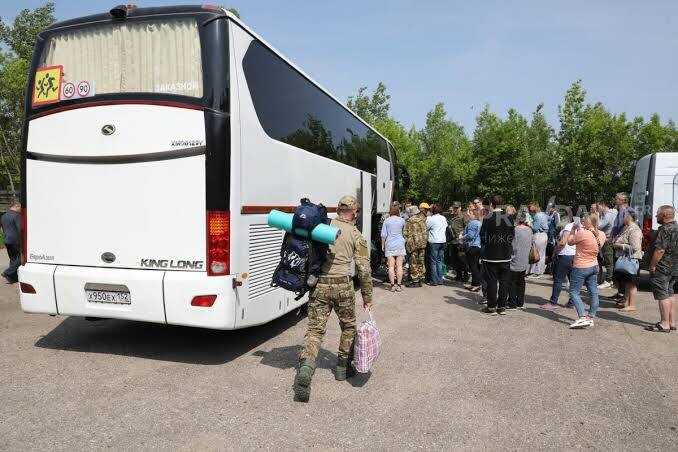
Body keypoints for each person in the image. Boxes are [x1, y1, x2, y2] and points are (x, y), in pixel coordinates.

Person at [294, 195, 373, 402]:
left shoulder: (323, 226)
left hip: (320, 285)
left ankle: (307, 368)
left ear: (338, 209)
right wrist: (367, 295)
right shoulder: (356, 234)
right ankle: (342, 368)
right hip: (343, 286)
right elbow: (364, 269)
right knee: (348, 326)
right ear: (354, 211)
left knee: (315, 330)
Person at [565, 213, 606, 329]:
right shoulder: (602, 234)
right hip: (594, 266)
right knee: (593, 292)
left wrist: (573, 230)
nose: (582, 222)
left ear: (589, 222)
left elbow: (570, 241)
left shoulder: (583, 233)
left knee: (573, 292)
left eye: (584, 220)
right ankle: (590, 317)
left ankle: (582, 317)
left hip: (581, 266)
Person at [479, 195, 514, 315]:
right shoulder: (509, 217)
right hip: (505, 254)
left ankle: (491, 306)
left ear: (491, 204)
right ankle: (502, 306)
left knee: (492, 281)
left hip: (491, 255)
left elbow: (482, 236)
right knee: (504, 281)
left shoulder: (488, 217)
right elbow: (512, 235)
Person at [646, 206, 678, 333]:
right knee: (670, 292)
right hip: (675, 267)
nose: (656, 217)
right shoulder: (676, 227)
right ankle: (671, 322)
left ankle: (664, 324)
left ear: (664, 215)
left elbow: (660, 250)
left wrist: (652, 265)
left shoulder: (665, 230)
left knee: (662, 294)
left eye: (658, 214)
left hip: (663, 267)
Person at [612, 208, 642, 312]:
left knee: (631, 283)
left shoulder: (634, 229)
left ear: (629, 217)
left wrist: (619, 245)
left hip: (631, 260)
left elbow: (635, 247)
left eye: (623, 216)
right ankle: (626, 302)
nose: (621, 218)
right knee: (626, 283)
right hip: (625, 259)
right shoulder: (626, 227)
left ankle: (632, 305)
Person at [544, 213, 575, 310]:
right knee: (572, 280)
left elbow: (562, 242)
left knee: (558, 280)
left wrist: (555, 251)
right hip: (574, 255)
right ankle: (572, 302)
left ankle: (553, 302)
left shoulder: (568, 227)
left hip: (564, 255)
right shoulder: (578, 227)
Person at [508, 211, 533, 309]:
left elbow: (512, 246)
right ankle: (520, 302)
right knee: (521, 281)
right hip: (524, 258)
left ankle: (512, 303)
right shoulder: (529, 230)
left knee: (512, 281)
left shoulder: (515, 230)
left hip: (515, 258)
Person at [381, 205, 406, 292]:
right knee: (399, 266)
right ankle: (399, 285)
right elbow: (404, 232)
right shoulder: (402, 220)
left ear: (390, 212)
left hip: (390, 244)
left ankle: (392, 285)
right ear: (398, 211)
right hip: (400, 244)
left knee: (391, 266)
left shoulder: (386, 221)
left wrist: (383, 245)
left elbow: (383, 235)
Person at [610, 193, 629, 301]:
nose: (615, 200)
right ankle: (620, 292)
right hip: (617, 240)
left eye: (617, 198)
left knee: (622, 268)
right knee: (618, 268)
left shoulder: (626, 211)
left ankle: (623, 295)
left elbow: (621, 226)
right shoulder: (620, 211)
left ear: (622, 200)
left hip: (621, 241)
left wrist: (614, 236)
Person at [403, 205, 427, 287]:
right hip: (422, 244)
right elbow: (425, 232)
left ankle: (415, 280)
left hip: (413, 245)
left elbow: (405, 233)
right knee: (421, 261)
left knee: (413, 262)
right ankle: (421, 278)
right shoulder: (422, 220)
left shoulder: (409, 221)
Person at [596, 200, 618, 288]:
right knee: (609, 260)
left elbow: (599, 226)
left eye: (598, 207)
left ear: (603, 205)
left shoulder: (608, 215)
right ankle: (610, 280)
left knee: (609, 261)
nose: (597, 210)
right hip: (607, 239)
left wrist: (597, 216)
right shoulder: (609, 213)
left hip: (607, 240)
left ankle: (609, 280)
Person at [426, 204, 448, 286]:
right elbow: (446, 227)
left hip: (434, 241)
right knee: (440, 261)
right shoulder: (443, 218)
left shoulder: (432, 219)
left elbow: (427, 227)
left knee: (433, 262)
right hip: (442, 240)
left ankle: (434, 280)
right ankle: (440, 279)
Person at [461, 207, 482, 292]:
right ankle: (474, 283)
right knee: (475, 266)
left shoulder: (472, 223)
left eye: (470, 213)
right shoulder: (479, 223)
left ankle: (476, 284)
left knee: (473, 267)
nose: (468, 214)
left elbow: (470, 236)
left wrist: (462, 237)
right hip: (478, 246)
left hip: (472, 246)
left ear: (474, 215)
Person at [1, 200, 22, 284]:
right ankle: (7, 272)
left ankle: (12, 278)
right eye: (20, 207)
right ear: (16, 206)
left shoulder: (4, 216)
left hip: (7, 240)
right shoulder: (17, 216)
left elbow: (3, 228)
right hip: (15, 240)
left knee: (13, 259)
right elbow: (20, 229)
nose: (20, 209)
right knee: (21, 257)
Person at [447, 202, 468, 282]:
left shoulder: (463, 216)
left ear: (460, 208)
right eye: (454, 208)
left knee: (462, 259)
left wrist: (463, 236)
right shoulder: (453, 216)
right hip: (453, 241)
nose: (455, 209)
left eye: (456, 208)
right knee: (455, 259)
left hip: (460, 241)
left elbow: (467, 227)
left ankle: (465, 276)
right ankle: (458, 275)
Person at [527, 202, 549, 278]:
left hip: (539, 235)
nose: (530, 209)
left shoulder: (537, 216)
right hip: (544, 235)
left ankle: (535, 272)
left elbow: (535, 228)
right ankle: (539, 272)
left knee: (535, 253)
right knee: (542, 254)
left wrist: (529, 224)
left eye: (531, 207)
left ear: (536, 207)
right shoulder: (544, 214)